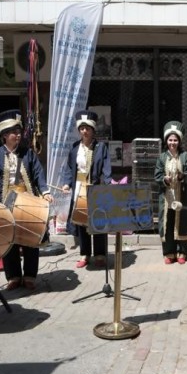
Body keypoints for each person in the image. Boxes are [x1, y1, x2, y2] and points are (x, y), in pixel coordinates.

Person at [0, 109, 53, 291]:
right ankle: (13, 276)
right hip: (5, 203)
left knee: (30, 238)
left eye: (19, 131)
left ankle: (30, 275)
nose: (18, 135)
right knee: (9, 241)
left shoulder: (27, 154)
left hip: (27, 201)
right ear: (4, 135)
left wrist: (44, 191)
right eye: (14, 132)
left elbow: (38, 174)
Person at [61, 110, 112, 269]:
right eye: (82, 128)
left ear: (93, 130)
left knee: (98, 221)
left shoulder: (101, 147)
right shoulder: (75, 148)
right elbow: (70, 168)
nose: (84, 131)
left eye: (87, 128)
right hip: (79, 188)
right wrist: (67, 183)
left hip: (96, 188)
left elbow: (106, 167)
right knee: (82, 222)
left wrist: (107, 183)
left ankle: (100, 254)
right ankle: (85, 253)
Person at [154, 121, 187, 264]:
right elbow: (157, 175)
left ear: (179, 141)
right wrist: (164, 179)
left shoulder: (185, 156)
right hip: (167, 196)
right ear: (167, 141)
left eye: (175, 140)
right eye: (170, 140)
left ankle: (182, 251)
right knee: (168, 222)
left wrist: (182, 176)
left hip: (181, 195)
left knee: (182, 222)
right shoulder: (162, 157)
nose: (173, 142)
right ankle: (169, 252)